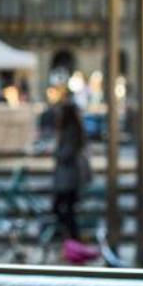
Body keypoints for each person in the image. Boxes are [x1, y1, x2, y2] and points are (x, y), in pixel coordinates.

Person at [43, 87, 90, 240]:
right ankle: (69, 237)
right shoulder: (74, 129)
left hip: (68, 179)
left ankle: (71, 238)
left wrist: (55, 153)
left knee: (62, 209)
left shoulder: (70, 131)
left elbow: (66, 153)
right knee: (66, 210)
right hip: (69, 178)